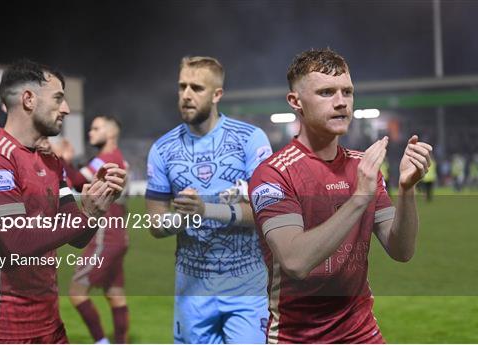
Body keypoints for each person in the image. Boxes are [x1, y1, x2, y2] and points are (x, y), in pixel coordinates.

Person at [248, 49, 433, 343]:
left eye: (347, 91)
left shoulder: (364, 166)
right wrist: (359, 198)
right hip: (298, 338)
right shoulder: (272, 174)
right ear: (295, 102)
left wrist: (407, 190)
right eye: (326, 92)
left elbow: (402, 250)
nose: (341, 102)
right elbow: (296, 262)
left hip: (362, 334)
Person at [0, 60, 127, 343]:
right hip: (4, 330)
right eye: (58, 98)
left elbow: (77, 236)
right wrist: (85, 216)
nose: (65, 108)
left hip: (50, 327)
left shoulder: (52, 162)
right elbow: (15, 240)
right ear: (28, 99)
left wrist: (97, 206)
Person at [145, 56, 272, 343]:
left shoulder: (250, 139)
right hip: (192, 286)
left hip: (245, 282)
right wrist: (181, 218)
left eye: (197, 88)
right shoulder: (162, 150)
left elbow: (266, 213)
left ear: (217, 95)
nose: (186, 95)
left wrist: (206, 210)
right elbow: (154, 223)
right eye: (182, 86)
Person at [65, 115, 130, 344]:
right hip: (120, 237)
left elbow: (74, 181)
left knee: (76, 292)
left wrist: (62, 160)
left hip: (104, 238)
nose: (90, 132)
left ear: (111, 133)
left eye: (96, 128)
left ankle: (101, 342)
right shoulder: (119, 158)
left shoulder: (105, 160)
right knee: (115, 294)